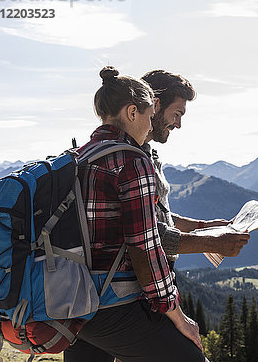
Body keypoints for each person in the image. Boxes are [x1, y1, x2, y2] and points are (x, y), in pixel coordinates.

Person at [64, 67, 205, 362]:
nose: (150, 123)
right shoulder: (131, 160)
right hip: (114, 300)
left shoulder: (79, 156)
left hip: (73, 300)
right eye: (148, 113)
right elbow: (145, 244)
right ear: (132, 113)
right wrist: (178, 315)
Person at [140, 69, 250, 263]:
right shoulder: (132, 160)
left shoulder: (149, 155)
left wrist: (204, 226)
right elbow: (147, 234)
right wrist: (213, 243)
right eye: (176, 114)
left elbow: (158, 217)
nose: (178, 124)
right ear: (155, 105)